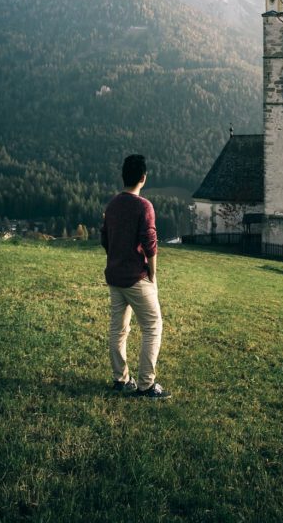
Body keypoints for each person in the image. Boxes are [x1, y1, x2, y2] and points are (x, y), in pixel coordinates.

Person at [100, 153, 170, 399]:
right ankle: (146, 385)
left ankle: (120, 380)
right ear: (143, 178)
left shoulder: (112, 205)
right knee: (152, 326)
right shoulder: (144, 206)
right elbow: (150, 244)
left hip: (115, 276)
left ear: (124, 176)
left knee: (118, 330)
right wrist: (152, 273)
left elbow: (105, 239)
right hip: (136, 277)